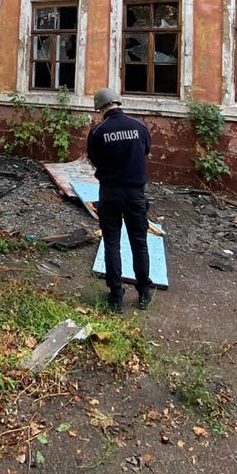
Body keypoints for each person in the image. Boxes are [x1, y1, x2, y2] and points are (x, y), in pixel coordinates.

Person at [86, 87, 153, 312]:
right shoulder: (139, 127)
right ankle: (144, 292)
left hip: (110, 193)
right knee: (139, 243)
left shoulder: (98, 132)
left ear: (100, 107)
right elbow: (146, 151)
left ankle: (116, 296)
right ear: (117, 102)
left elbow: (94, 161)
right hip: (135, 194)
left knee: (111, 243)